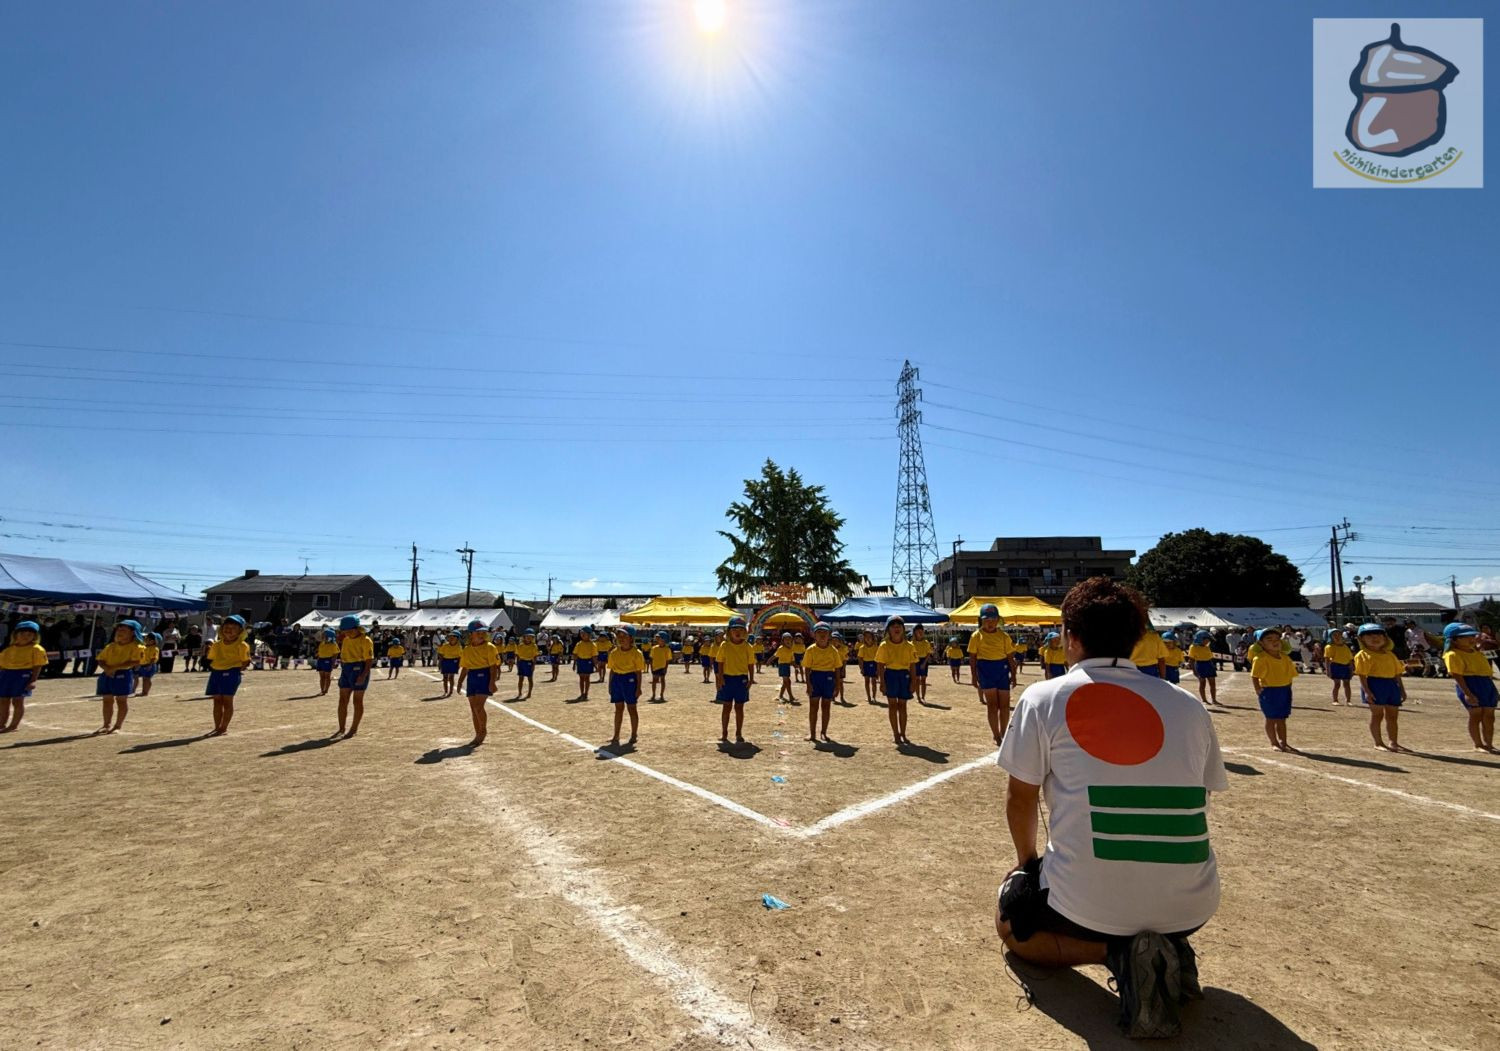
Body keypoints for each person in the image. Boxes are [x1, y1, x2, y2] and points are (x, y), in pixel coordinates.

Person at [995, 577, 1226, 1039]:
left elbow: (1020, 800)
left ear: (1071, 637)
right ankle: (1166, 947)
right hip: (1194, 905)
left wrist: (1025, 866)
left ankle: (1116, 954)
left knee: (1011, 924)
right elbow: (1201, 793)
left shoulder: (1043, 698)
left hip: (1086, 905)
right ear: (1139, 639)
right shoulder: (1187, 705)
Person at [1441, 623, 1497, 752]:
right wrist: (1467, 693)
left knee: (1489, 715)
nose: (1471, 638)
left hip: (1486, 684)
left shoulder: (1477, 653)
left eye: (1472, 635)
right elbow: (1457, 675)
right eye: (1465, 637)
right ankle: (1478, 744)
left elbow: (1487, 672)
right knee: (1476, 714)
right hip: (1469, 683)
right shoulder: (1453, 654)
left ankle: (1489, 744)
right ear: (1454, 640)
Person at [968, 605, 1016, 745]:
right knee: (992, 705)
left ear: (998, 620)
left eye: (993, 619)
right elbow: (972, 658)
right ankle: (996, 735)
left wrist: (1013, 675)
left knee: (1005, 705)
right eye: (987, 619)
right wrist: (973, 675)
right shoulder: (976, 636)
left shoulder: (1003, 636)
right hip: (985, 670)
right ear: (981, 620)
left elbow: (1010, 657)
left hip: (1002, 669)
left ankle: (1004, 732)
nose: (990, 622)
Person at [1355, 623, 1407, 751]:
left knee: (1393, 716)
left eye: (1378, 634)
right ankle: (1378, 742)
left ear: (1385, 638)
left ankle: (1393, 742)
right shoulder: (1363, 655)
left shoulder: (1390, 655)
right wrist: (1367, 692)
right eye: (1369, 635)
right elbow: (1361, 675)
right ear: (1361, 639)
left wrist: (1402, 689)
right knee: (1377, 715)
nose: (1375, 638)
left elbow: (1397, 673)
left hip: (1391, 685)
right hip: (1374, 684)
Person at [1249, 628, 1298, 752]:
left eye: (1277, 639)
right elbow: (1255, 676)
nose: (1274, 642)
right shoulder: (1260, 658)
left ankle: (1283, 742)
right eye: (1269, 639)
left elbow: (1290, 675)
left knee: (1282, 718)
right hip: (1269, 691)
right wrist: (1258, 690)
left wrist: (1288, 689)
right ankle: (1274, 742)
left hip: (1284, 690)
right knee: (1271, 718)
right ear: (1261, 644)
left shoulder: (1285, 658)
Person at [95, 620, 145, 735]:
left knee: (121, 701)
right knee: (106, 700)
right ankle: (106, 725)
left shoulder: (137, 646)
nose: (120, 632)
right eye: (118, 629)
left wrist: (115, 668)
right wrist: (107, 668)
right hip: (107, 674)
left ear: (132, 632)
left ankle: (117, 725)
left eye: (124, 630)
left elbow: (136, 661)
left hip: (123, 674)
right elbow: (100, 659)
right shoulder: (111, 646)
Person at [204, 615, 252, 736]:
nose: (229, 630)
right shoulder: (216, 644)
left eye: (233, 628)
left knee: (227, 701)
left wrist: (235, 670)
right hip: (216, 673)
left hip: (231, 672)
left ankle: (223, 727)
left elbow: (246, 661)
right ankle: (217, 727)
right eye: (226, 627)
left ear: (240, 631)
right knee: (217, 701)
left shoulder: (242, 645)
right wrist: (207, 651)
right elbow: (210, 658)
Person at [876, 615, 917, 746]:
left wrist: (913, 682)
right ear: (888, 630)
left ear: (904, 629)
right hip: (891, 675)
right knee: (892, 705)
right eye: (893, 626)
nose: (896, 628)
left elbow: (912, 665)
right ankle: (896, 733)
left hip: (904, 676)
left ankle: (903, 733)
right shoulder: (884, 645)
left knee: (903, 706)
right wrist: (882, 682)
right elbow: (880, 665)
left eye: (899, 626)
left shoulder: (909, 646)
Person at [0, 620, 48, 733]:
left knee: (17, 701)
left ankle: (13, 725)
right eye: (22, 633)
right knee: (3, 700)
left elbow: (38, 665)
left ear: (35, 636)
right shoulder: (8, 649)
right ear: (15, 634)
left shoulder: (36, 649)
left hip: (22, 675)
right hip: (6, 675)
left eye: (29, 635)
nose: (25, 637)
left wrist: (33, 680)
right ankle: (1, 723)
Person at [458, 620, 499, 746]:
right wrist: (460, 682)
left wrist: (492, 682)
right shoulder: (467, 650)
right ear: (471, 634)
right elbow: (465, 667)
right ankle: (477, 733)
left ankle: (483, 731)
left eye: (483, 632)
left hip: (484, 675)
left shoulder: (490, 647)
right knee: (473, 709)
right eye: (478, 632)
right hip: (472, 677)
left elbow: (493, 667)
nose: (481, 634)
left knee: (478, 706)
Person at [714, 616, 755, 744]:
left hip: (741, 679)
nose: (737, 632)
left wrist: (751, 678)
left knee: (739, 707)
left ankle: (738, 732)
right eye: (734, 629)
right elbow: (720, 662)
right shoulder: (724, 645)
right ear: (729, 631)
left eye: (741, 629)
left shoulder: (748, 646)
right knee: (726, 707)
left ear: (745, 632)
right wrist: (720, 678)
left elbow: (751, 663)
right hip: (727, 678)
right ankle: (724, 732)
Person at [335, 614, 374, 738]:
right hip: (346, 669)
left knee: (357, 701)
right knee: (342, 700)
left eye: (350, 630)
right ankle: (341, 728)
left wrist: (363, 675)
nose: (348, 633)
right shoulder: (346, 639)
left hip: (360, 668)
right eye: (345, 631)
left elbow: (369, 660)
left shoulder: (366, 640)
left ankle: (353, 728)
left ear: (357, 628)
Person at [607, 626, 646, 746]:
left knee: (631, 708)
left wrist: (638, 688)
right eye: (619, 636)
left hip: (630, 680)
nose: (621, 638)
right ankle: (616, 735)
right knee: (618, 708)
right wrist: (610, 685)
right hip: (617, 680)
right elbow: (612, 670)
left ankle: (634, 734)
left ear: (631, 638)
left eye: (624, 636)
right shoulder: (614, 652)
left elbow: (638, 672)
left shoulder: (636, 653)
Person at [804, 621, 841, 741]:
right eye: (819, 632)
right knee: (813, 707)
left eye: (825, 632)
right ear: (814, 635)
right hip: (815, 678)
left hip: (829, 678)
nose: (822, 635)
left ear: (829, 634)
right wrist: (808, 685)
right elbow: (807, 669)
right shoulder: (810, 650)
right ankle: (812, 733)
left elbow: (837, 669)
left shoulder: (833, 650)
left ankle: (824, 732)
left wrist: (837, 686)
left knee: (826, 707)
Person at [1324, 629, 1355, 706]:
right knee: (1337, 684)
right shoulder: (1329, 647)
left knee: (1347, 684)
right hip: (1335, 666)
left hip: (1345, 667)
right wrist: (1328, 670)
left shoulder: (1345, 647)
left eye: (1339, 635)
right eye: (1334, 635)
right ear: (1331, 637)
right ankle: (1335, 700)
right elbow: (1327, 659)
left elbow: (1350, 660)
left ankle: (1348, 700)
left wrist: (1351, 670)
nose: (1337, 637)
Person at [1187, 630, 1218, 707]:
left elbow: (1210, 657)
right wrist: (1194, 671)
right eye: (1207, 640)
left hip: (1209, 664)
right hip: (1200, 665)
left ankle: (1214, 699)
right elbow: (1191, 660)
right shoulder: (1193, 647)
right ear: (1201, 639)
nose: (1208, 642)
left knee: (1212, 683)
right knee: (1202, 683)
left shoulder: (1207, 647)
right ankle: (1204, 699)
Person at [572, 627, 598, 701]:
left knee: (587, 678)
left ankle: (586, 693)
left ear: (589, 635)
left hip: (588, 662)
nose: (582, 635)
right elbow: (575, 654)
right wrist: (574, 664)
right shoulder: (579, 644)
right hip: (580, 661)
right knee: (581, 678)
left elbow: (594, 656)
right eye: (581, 633)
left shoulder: (592, 644)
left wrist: (596, 666)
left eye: (584, 633)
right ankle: (582, 693)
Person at [857, 629, 881, 703]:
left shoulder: (876, 647)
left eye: (869, 636)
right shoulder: (862, 647)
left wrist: (878, 669)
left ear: (872, 637)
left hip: (874, 664)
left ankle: (874, 697)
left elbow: (878, 659)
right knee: (866, 681)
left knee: (874, 681)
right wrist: (861, 668)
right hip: (866, 664)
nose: (868, 638)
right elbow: (860, 658)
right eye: (866, 636)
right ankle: (869, 697)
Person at [648, 630, 672, 701]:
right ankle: (653, 695)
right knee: (654, 681)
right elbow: (651, 658)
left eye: (659, 638)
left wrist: (666, 668)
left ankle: (661, 695)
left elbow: (667, 660)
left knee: (662, 680)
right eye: (657, 638)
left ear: (664, 639)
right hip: (655, 667)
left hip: (662, 667)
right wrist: (651, 667)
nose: (657, 640)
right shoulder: (654, 648)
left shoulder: (667, 649)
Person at [435, 633, 462, 697]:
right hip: (446, 661)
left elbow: (460, 656)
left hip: (454, 662)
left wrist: (459, 664)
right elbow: (440, 654)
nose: (451, 639)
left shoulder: (459, 647)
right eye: (450, 637)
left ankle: (451, 691)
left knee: (451, 677)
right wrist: (440, 663)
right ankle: (446, 691)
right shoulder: (445, 645)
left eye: (453, 637)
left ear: (457, 639)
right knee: (445, 678)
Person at [912, 624, 933, 703]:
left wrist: (924, 663)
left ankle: (923, 697)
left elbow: (928, 653)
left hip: (924, 660)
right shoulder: (912, 643)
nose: (920, 633)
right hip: (915, 661)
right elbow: (912, 653)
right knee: (917, 680)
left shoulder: (926, 642)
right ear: (915, 633)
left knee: (923, 680)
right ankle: (918, 697)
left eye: (921, 631)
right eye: (918, 631)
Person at [774, 634, 796, 702]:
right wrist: (768, 661)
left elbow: (792, 658)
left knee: (785, 682)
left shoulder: (791, 649)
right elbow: (775, 655)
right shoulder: (781, 648)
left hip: (787, 666)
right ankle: (791, 696)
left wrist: (795, 665)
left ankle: (780, 695)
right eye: (786, 639)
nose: (788, 641)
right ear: (783, 641)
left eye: (789, 639)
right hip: (782, 666)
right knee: (787, 682)